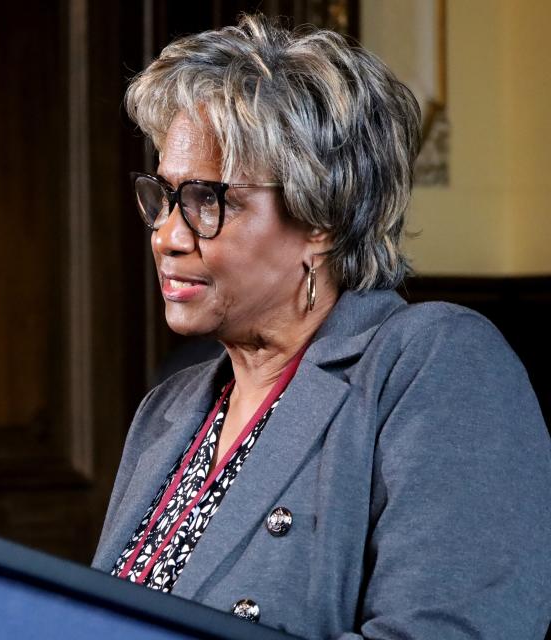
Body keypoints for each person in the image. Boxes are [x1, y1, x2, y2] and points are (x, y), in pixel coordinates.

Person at [92, 14, 550, 639]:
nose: (167, 236)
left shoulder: (434, 363)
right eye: (165, 197)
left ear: (322, 220)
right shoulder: (166, 411)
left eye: (207, 200)